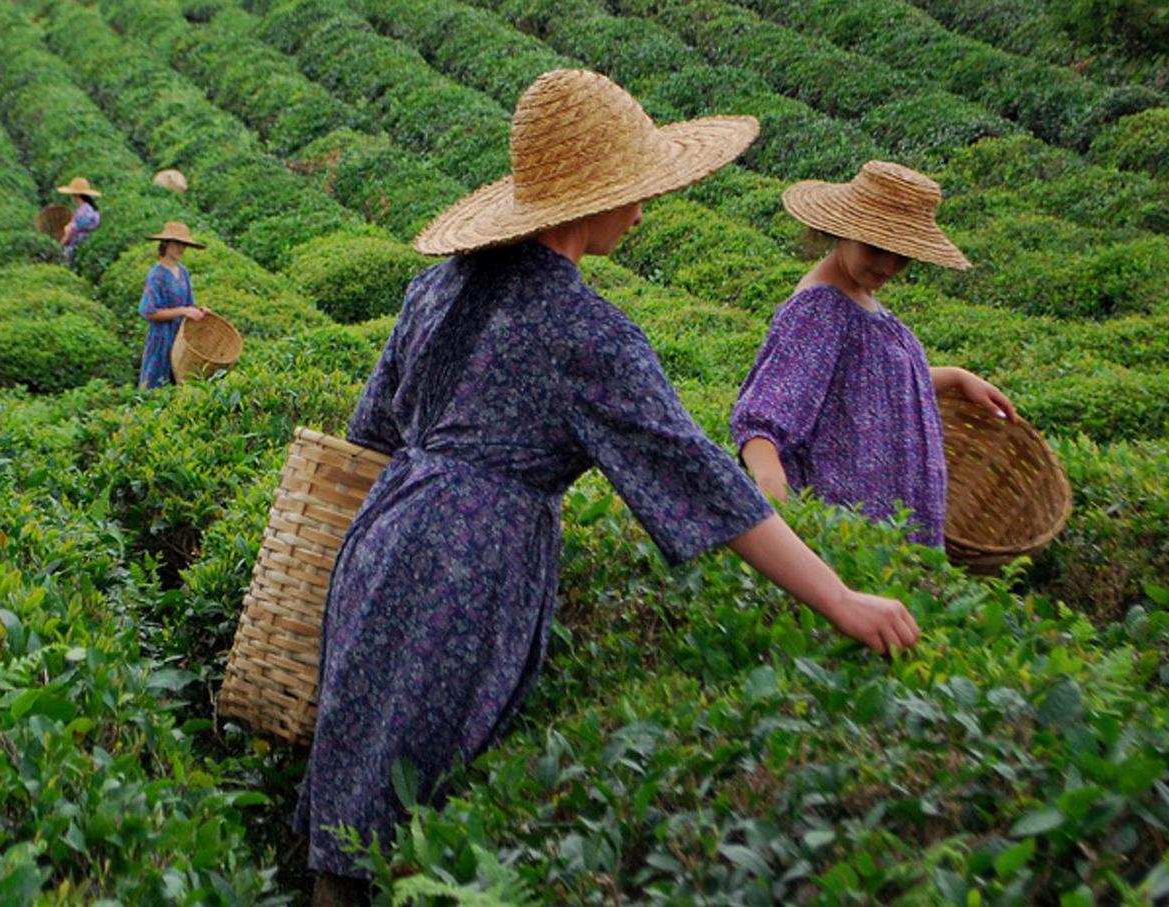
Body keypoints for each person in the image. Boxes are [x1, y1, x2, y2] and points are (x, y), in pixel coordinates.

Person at [299, 71, 922, 901]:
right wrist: (840, 598)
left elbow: (370, 430)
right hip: (469, 567)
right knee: (423, 804)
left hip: (381, 537)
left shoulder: (437, 286)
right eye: (634, 190)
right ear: (587, 203)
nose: (642, 208)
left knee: (359, 763)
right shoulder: (589, 334)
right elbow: (703, 478)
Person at [730, 160, 1016, 549]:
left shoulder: (858, 298)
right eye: (876, 248)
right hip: (847, 545)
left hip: (883, 543)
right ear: (844, 230)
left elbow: (863, 384)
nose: (887, 265)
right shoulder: (821, 311)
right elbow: (761, 423)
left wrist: (953, 376)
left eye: (901, 255)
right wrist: (782, 518)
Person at [138, 221, 207, 389]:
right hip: (162, 337)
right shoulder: (157, 275)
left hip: (181, 336)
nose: (181, 249)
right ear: (166, 244)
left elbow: (189, 304)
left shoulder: (183, 272)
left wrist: (199, 311)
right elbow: (149, 312)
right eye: (177, 244)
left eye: (184, 245)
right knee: (157, 387)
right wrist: (182, 311)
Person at [56, 178, 101, 265]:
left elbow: (71, 232)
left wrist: (59, 246)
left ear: (76, 195)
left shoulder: (84, 211)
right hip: (87, 245)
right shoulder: (91, 209)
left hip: (78, 246)